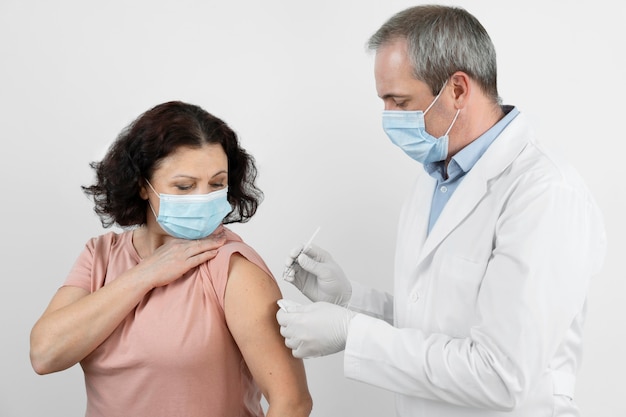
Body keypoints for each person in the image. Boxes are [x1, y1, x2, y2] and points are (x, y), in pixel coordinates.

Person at [276, 5, 606, 417]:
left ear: (458, 90)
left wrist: (352, 333)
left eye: (399, 101)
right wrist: (349, 299)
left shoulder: (544, 192)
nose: (388, 119)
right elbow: (437, 325)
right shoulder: (438, 176)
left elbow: (500, 376)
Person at [30, 101, 312, 417]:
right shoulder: (100, 256)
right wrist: (144, 275)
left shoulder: (234, 269)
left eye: (217, 183)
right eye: (184, 186)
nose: (203, 198)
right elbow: (45, 355)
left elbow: (292, 403)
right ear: (142, 185)